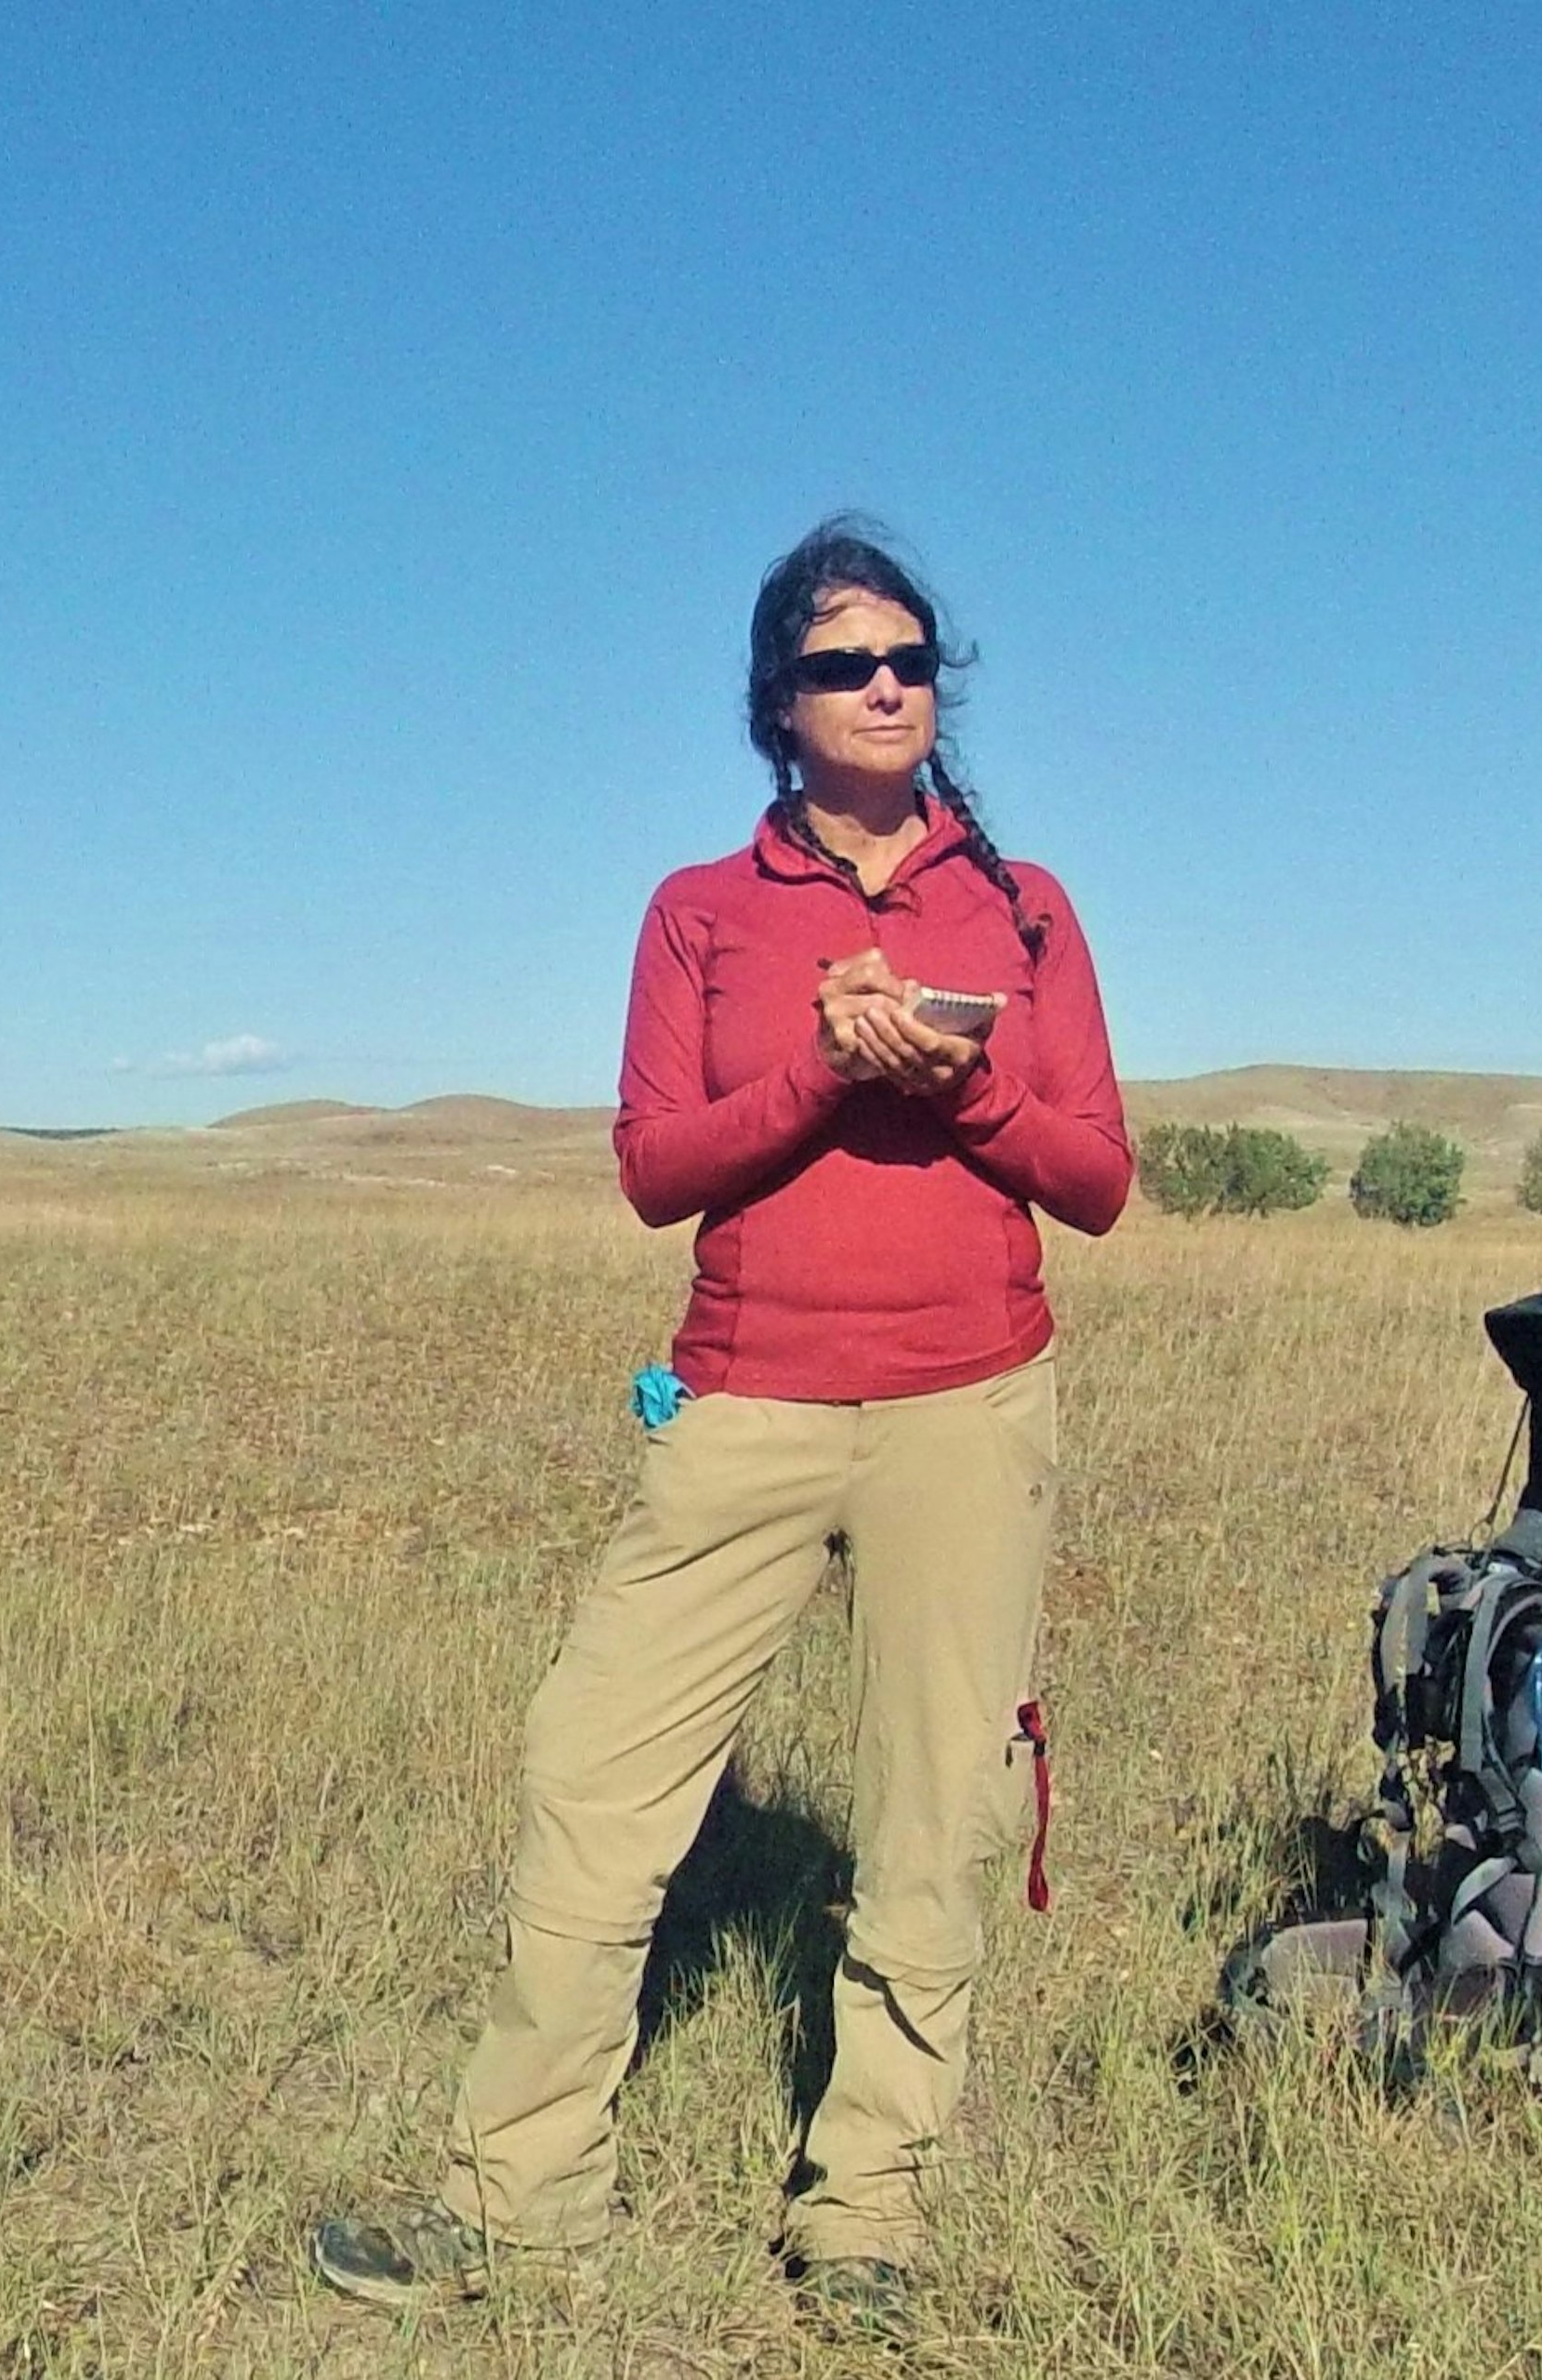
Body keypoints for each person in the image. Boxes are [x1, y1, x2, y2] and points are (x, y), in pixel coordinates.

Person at [311, 518, 1129, 2337]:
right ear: (782, 702)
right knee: (591, 1786)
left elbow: (1096, 1178)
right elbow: (656, 1166)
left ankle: (868, 2216)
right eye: (851, 664)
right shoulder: (703, 908)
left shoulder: (1027, 906)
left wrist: (965, 1077)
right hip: (746, 1402)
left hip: (967, 1407)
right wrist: (825, 1072)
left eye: (917, 661)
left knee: (933, 1820)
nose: (893, 687)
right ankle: (519, 2201)